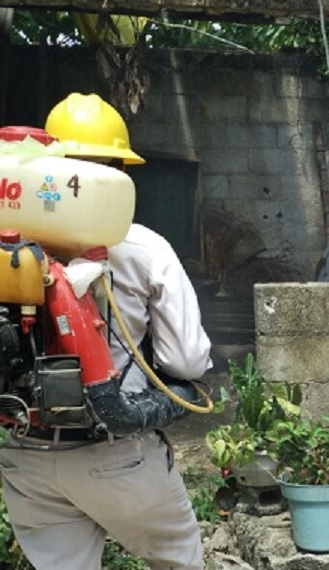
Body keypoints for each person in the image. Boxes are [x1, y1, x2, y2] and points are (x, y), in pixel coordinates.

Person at [0, 93, 212, 570]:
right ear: (117, 172)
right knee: (179, 560)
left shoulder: (8, 245)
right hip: (118, 456)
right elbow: (186, 362)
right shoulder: (142, 246)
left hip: (28, 458)